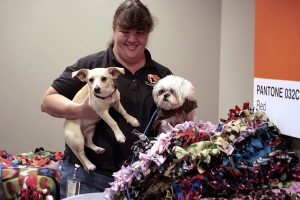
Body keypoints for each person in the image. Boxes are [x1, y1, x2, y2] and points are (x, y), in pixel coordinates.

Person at [40, 0, 172, 198]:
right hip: (88, 177)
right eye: (125, 31)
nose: (132, 39)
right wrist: (80, 110)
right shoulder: (91, 65)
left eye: (140, 32)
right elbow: (47, 102)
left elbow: (171, 120)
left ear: (148, 34)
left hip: (140, 180)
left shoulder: (161, 75)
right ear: (114, 29)